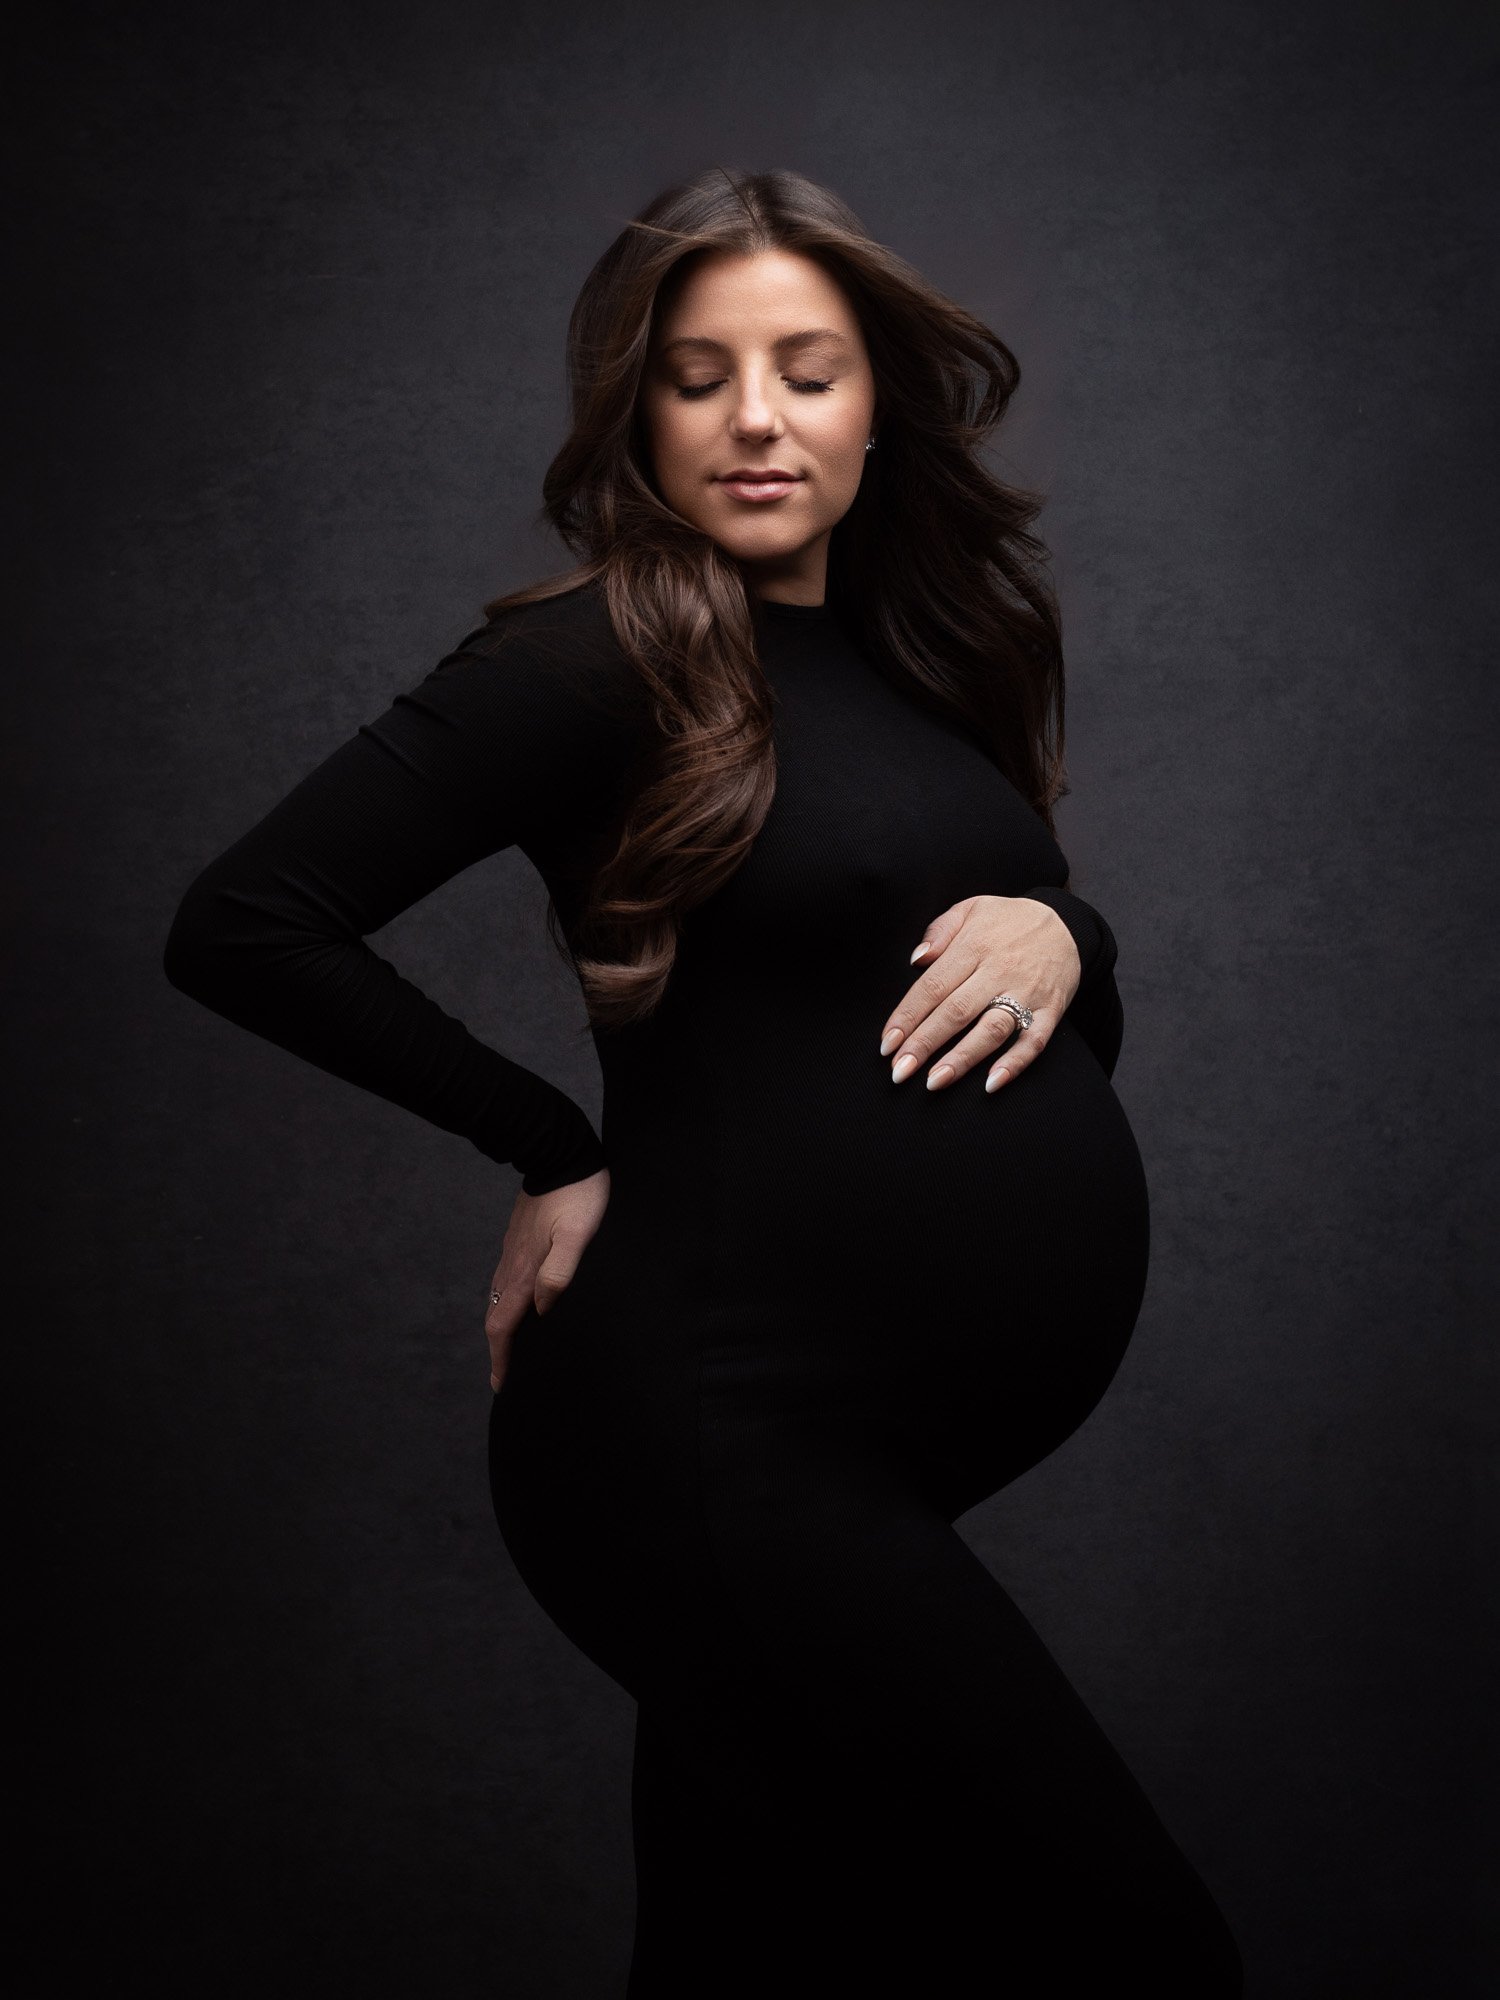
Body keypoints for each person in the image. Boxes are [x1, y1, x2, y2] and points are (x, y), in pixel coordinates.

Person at [163, 167, 1243, 1996]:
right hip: (705, 1447)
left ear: (877, 398)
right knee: (1134, 1953)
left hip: (851, 1456)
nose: (758, 417)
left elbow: (1009, 1026)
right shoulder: (589, 659)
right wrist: (546, 1141)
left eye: (808, 370)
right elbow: (245, 922)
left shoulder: (927, 663)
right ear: (632, 408)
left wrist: (1077, 938)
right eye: (698, 373)